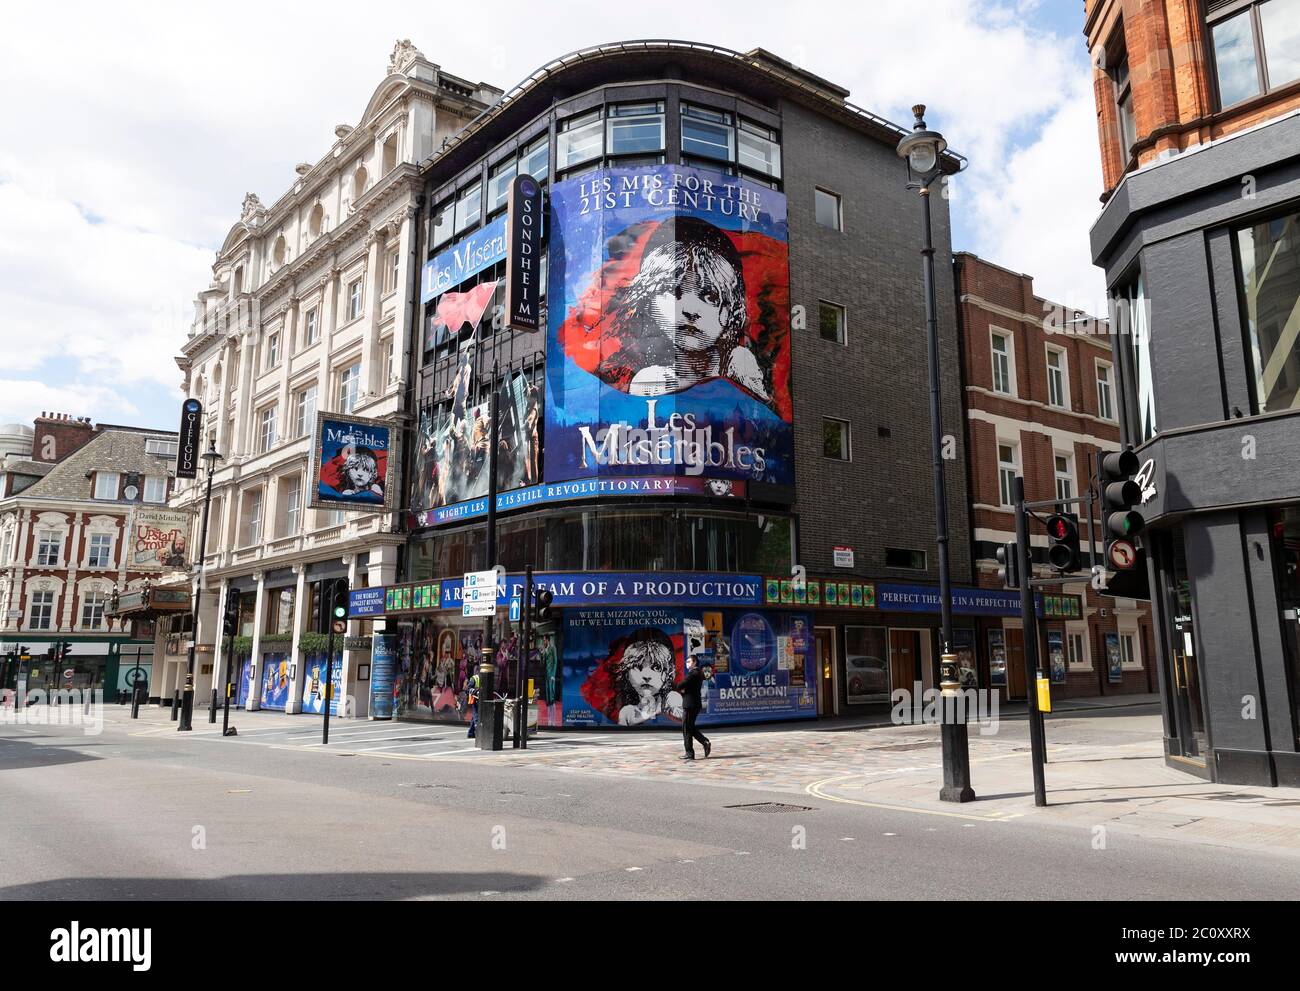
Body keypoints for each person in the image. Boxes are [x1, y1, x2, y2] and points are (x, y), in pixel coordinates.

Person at [673, 656, 713, 760]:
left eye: (689, 661)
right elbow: (688, 687)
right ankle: (705, 742)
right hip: (693, 703)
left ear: (694, 662)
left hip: (690, 704)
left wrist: (681, 689)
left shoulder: (693, 673)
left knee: (686, 728)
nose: (687, 663)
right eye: (686, 661)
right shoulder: (698, 673)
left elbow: (681, 685)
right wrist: (685, 690)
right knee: (689, 727)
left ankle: (689, 753)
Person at [464, 669, 481, 739]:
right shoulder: (474, 678)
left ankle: (470, 733)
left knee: (474, 717)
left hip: (481, 700)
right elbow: (468, 689)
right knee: (476, 716)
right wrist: (475, 691)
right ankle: (478, 732)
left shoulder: (486, 678)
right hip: (475, 700)